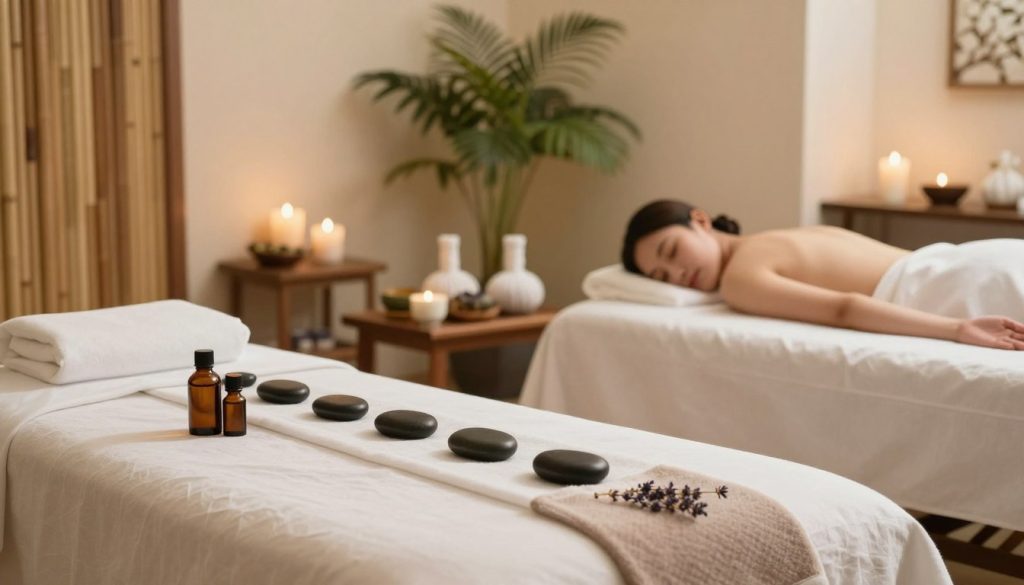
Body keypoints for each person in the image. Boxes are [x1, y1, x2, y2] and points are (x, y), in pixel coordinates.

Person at [621, 199, 1024, 350]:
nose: (677, 274)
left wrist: (957, 329)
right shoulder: (777, 237)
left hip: (948, 288)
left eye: (671, 251)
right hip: (977, 259)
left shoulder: (739, 277)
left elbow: (843, 309)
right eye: (662, 277)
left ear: (700, 220)